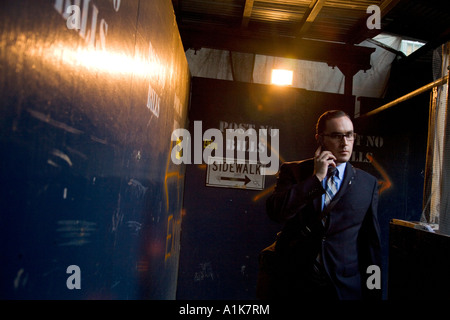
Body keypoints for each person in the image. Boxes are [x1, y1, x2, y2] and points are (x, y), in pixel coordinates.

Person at [260, 110, 381, 300]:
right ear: (320, 138)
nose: (345, 142)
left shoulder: (368, 183)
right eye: (336, 136)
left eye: (349, 135)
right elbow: (277, 213)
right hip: (294, 284)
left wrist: (375, 293)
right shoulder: (294, 171)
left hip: (343, 287)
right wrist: (316, 178)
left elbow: (371, 246)